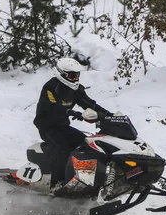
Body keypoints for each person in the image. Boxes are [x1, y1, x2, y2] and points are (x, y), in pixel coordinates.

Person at [33, 57, 111, 190]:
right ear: (61, 73)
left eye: (77, 75)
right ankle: (57, 183)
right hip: (46, 126)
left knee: (85, 143)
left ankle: (84, 178)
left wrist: (109, 115)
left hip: (63, 126)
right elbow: (53, 106)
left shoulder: (77, 89)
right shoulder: (50, 88)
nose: (75, 79)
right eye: (72, 76)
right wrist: (71, 112)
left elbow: (89, 104)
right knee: (63, 147)